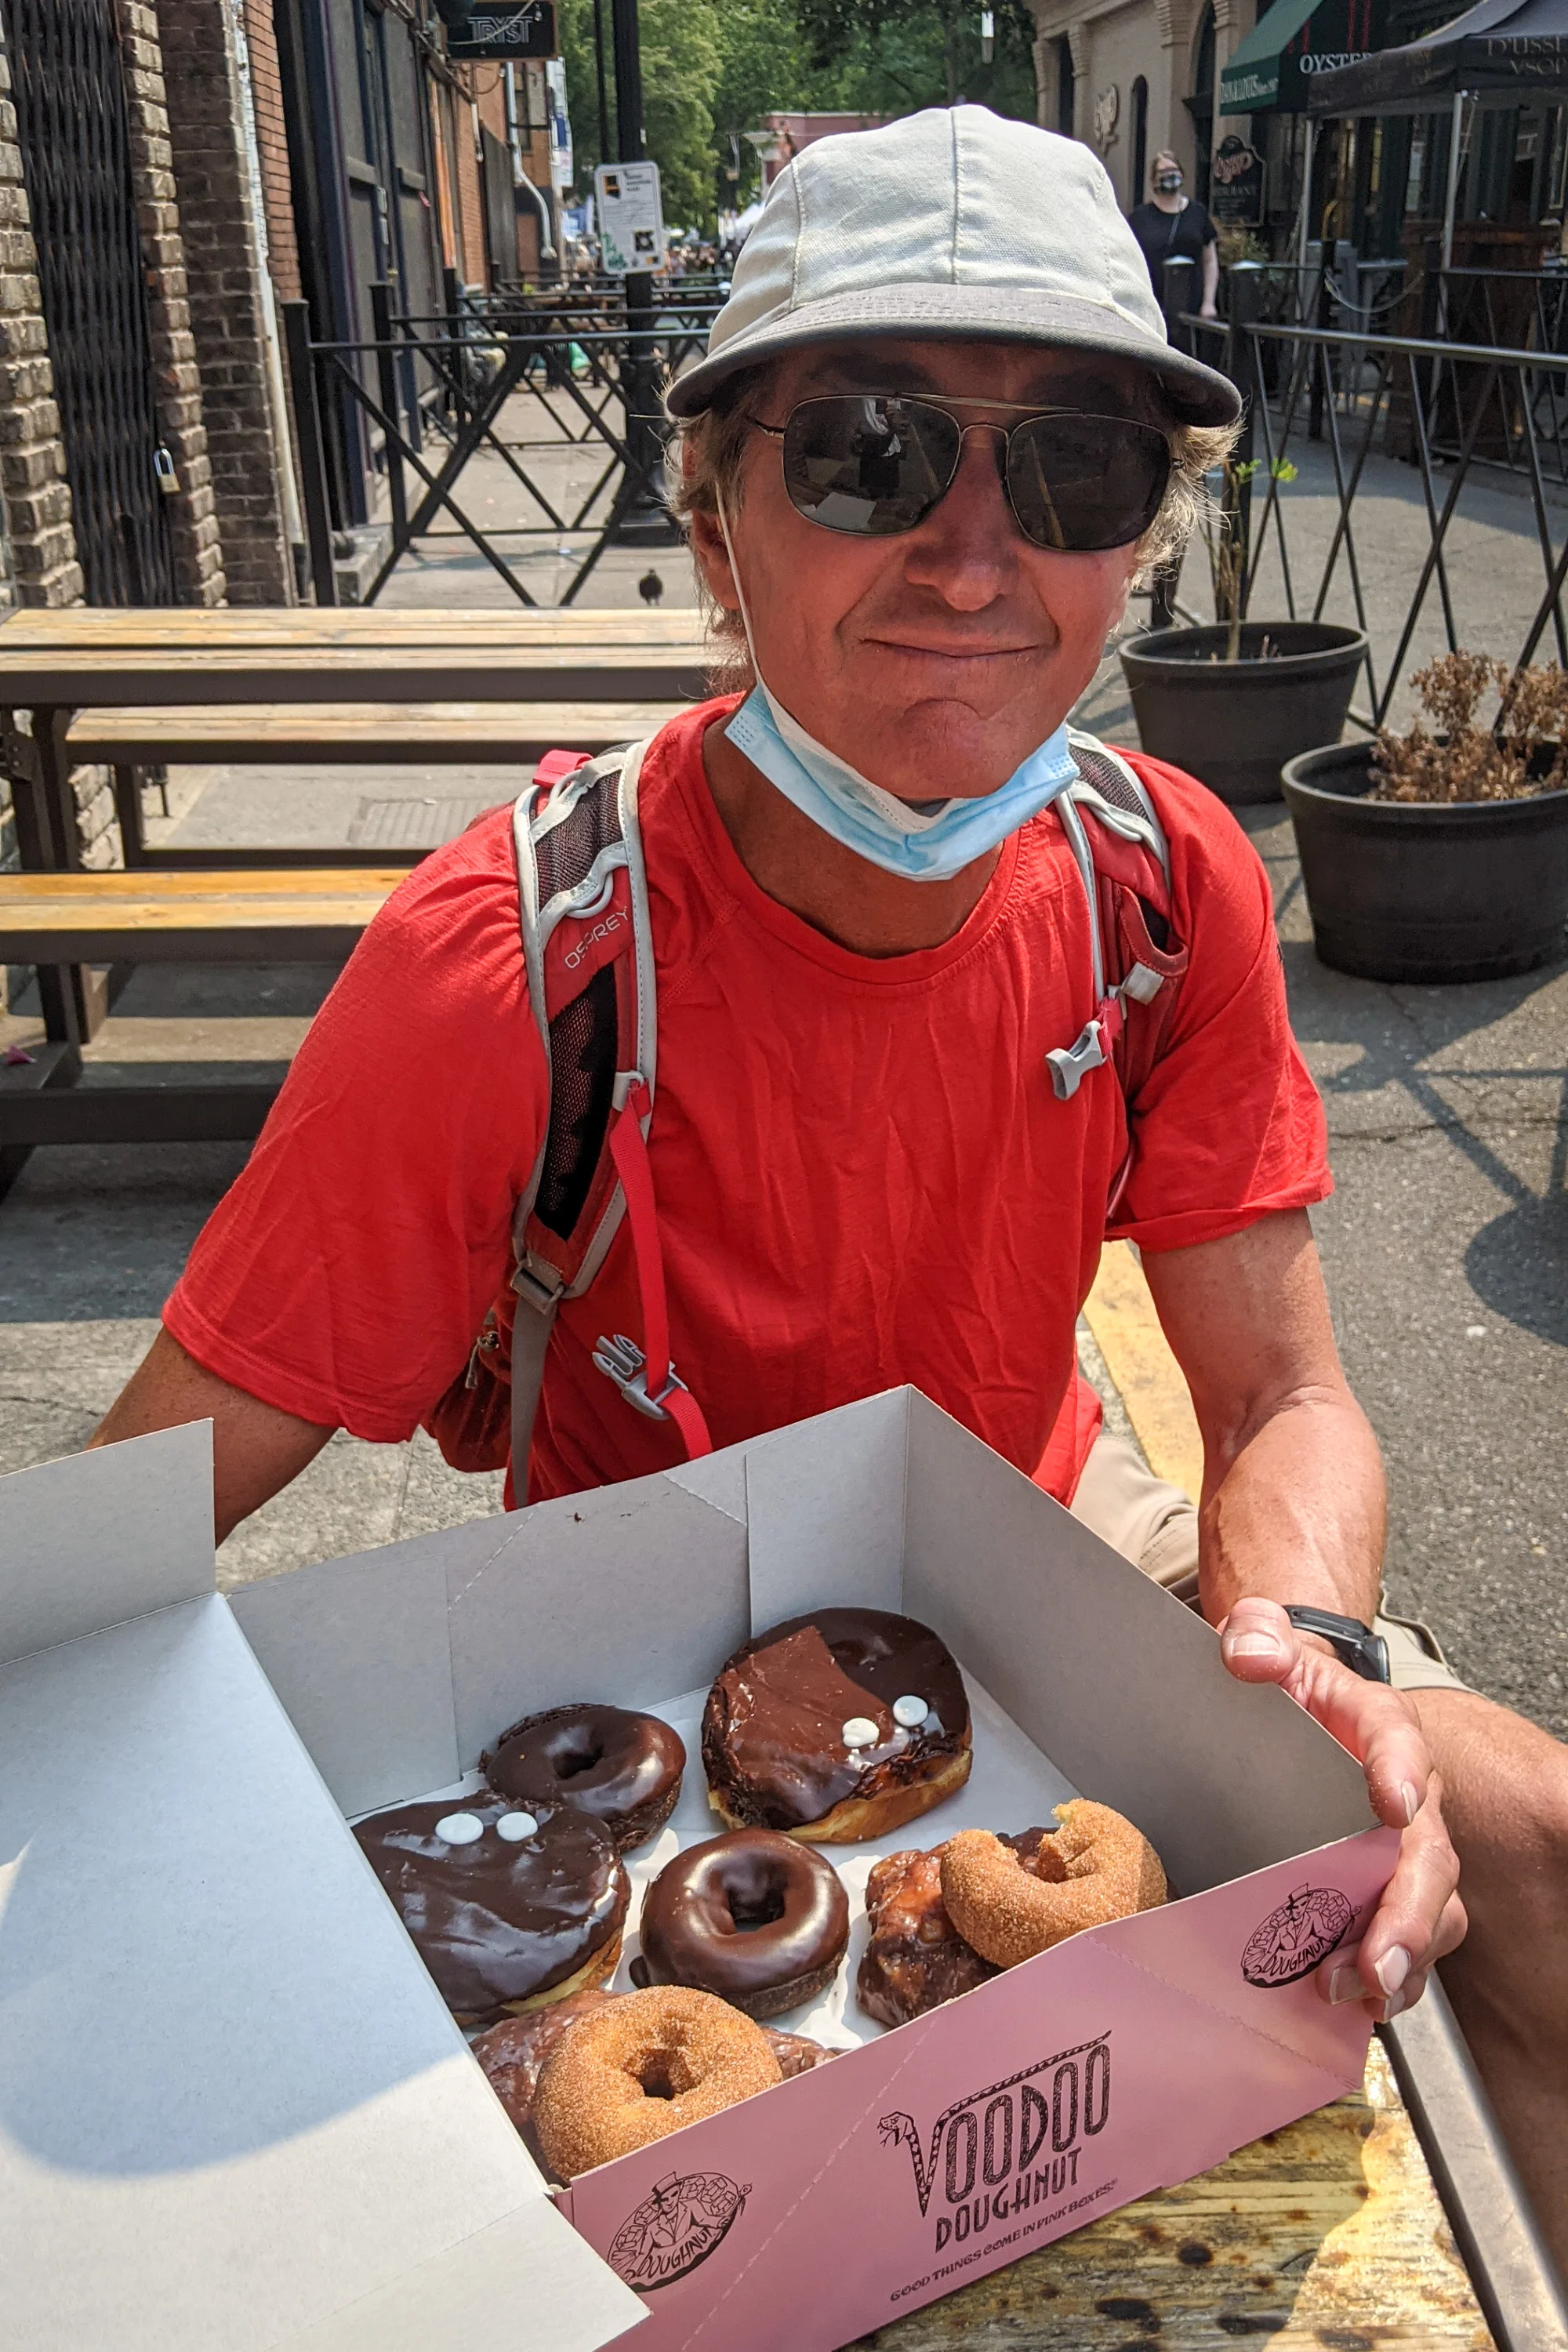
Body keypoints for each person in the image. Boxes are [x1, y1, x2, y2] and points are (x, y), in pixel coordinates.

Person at [91, 108, 1567, 2266]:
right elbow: (138, 1523)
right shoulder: (514, 959)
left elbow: (1279, 1403)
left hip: (1077, 1548)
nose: (976, 557)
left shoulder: (1167, 885)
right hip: (660, 1658)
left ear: (1135, 543)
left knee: (1516, 1838)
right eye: (867, 453)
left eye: (1076, 470)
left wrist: (1308, 1663)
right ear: (714, 518)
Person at [1128, 149, 1220, 324]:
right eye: (1162, 172)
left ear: (1182, 174)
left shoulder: (1197, 213)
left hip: (1192, 307)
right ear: (1154, 180)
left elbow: (1210, 260)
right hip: (1152, 306)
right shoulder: (1140, 218)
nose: (1169, 175)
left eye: (1173, 169)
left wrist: (1209, 302)